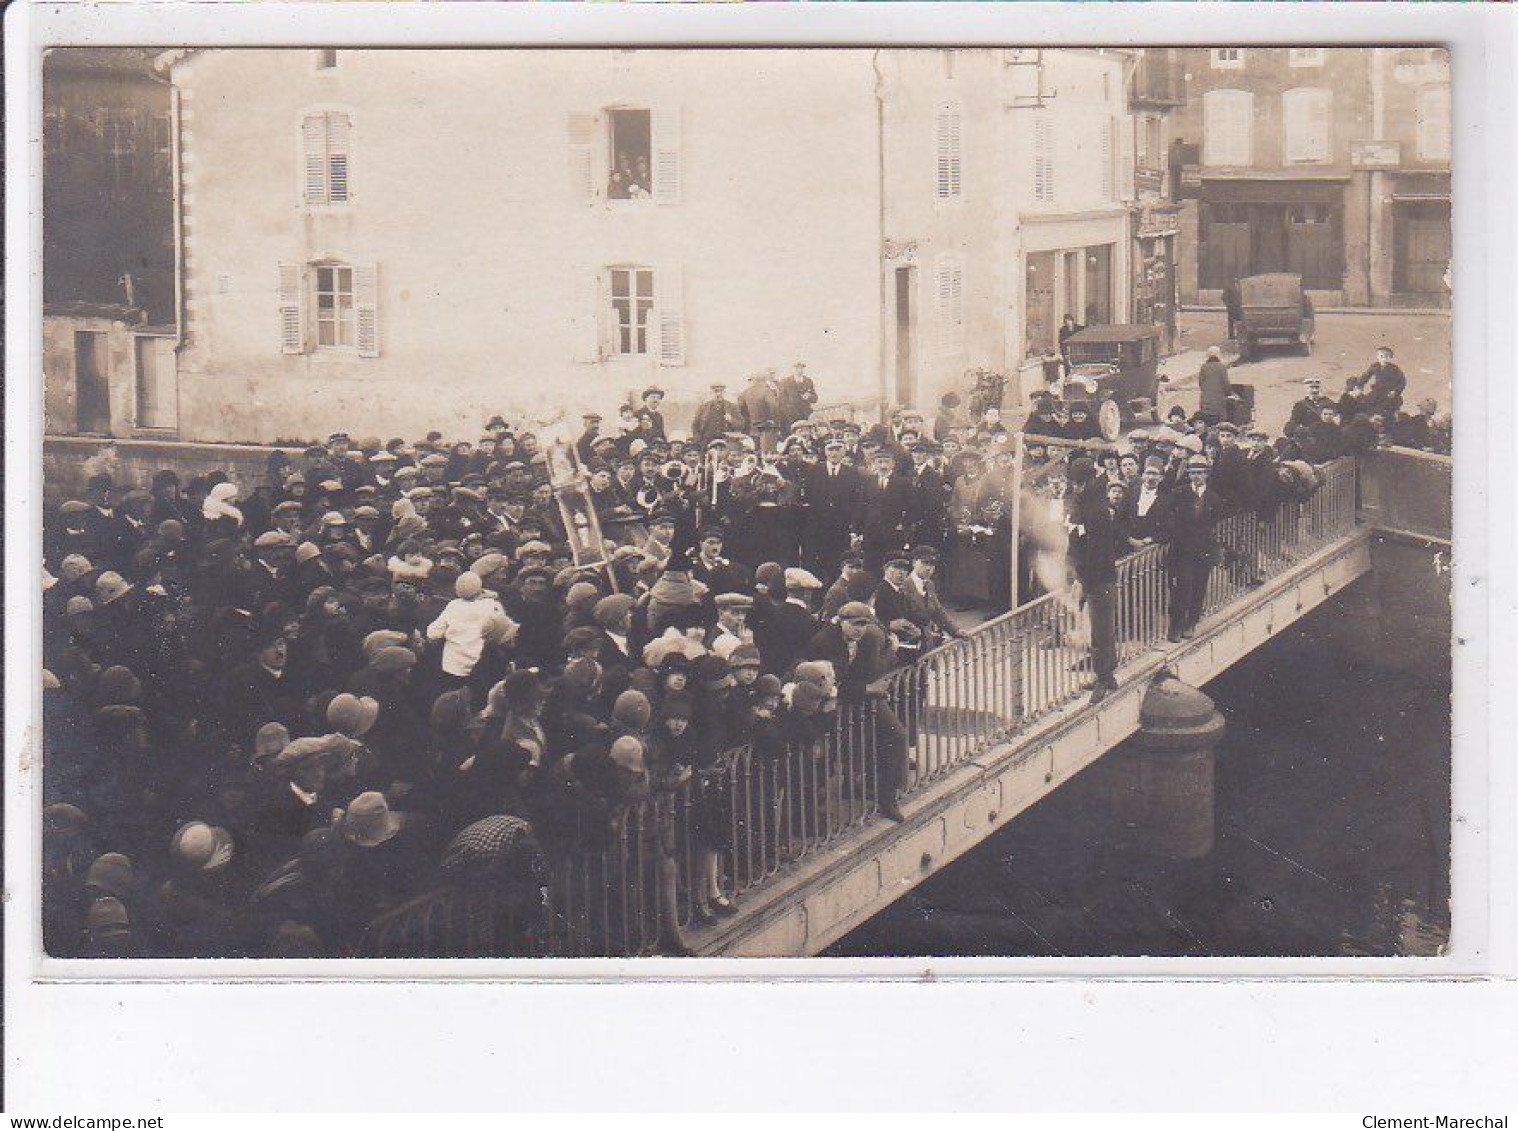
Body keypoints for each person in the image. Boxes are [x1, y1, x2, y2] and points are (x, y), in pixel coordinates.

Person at [1166, 455, 1226, 641]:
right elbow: (1169, 515)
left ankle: (1191, 623)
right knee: (1182, 588)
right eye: (1192, 473)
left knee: (1199, 587)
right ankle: (1175, 627)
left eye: (1200, 473)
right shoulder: (1179, 493)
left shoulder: (1213, 497)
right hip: (1183, 550)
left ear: (1206, 475)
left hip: (1204, 550)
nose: (1196, 477)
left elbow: (1216, 520)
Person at [1197, 346, 1232, 425]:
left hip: (1205, 402)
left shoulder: (1204, 367)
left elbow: (1201, 383)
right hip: (1218, 403)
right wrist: (1229, 394)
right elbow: (1226, 384)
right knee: (1221, 420)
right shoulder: (1221, 367)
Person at [1221, 276, 1243, 342]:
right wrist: (1228, 305)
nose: (1235, 279)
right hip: (1232, 307)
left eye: (1237, 278)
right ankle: (1231, 335)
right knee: (1231, 322)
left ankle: (1240, 335)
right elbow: (1224, 297)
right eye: (1234, 278)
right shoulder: (1229, 286)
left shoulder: (1240, 286)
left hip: (1239, 306)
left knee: (1240, 321)